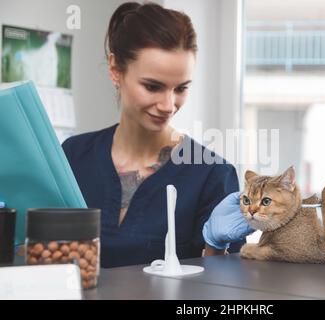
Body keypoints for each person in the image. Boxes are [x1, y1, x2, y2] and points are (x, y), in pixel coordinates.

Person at [62, 2, 254, 268]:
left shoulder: (211, 174)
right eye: (153, 86)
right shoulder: (72, 156)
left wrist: (214, 247)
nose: (168, 105)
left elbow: (221, 291)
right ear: (116, 70)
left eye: (181, 88)